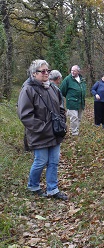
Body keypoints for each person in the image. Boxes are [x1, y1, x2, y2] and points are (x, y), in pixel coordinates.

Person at [17, 59, 68, 201]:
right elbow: (25, 115)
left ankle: (53, 189)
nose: (46, 73)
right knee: (41, 161)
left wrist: (62, 122)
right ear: (34, 73)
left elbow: (61, 107)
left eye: (48, 71)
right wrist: (43, 127)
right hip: (39, 134)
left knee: (54, 161)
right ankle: (33, 186)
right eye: (43, 71)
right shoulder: (28, 89)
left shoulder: (52, 88)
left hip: (55, 132)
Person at [60, 65, 86, 136]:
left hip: (81, 102)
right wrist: (69, 97)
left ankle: (76, 129)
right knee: (74, 117)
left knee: (79, 118)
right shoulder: (67, 79)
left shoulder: (82, 79)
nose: (72, 72)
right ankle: (74, 132)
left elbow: (83, 88)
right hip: (72, 102)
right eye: (71, 70)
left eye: (74, 71)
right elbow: (62, 90)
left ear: (78, 71)